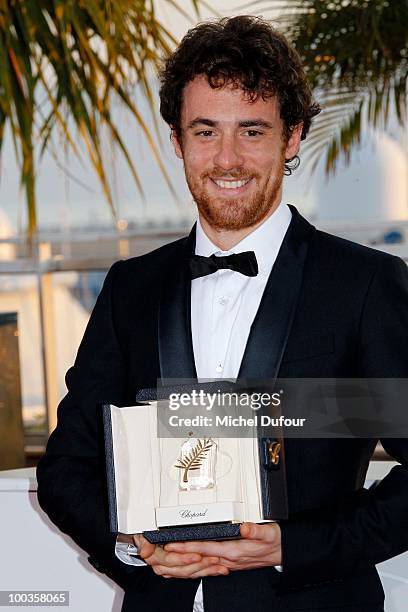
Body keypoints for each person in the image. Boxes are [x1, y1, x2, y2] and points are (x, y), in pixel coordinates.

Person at [37, 15, 408, 612]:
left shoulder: (361, 286)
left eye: (252, 131)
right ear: (179, 141)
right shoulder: (131, 288)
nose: (227, 159)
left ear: (291, 138)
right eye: (206, 131)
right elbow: (67, 466)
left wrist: (292, 545)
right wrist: (130, 544)